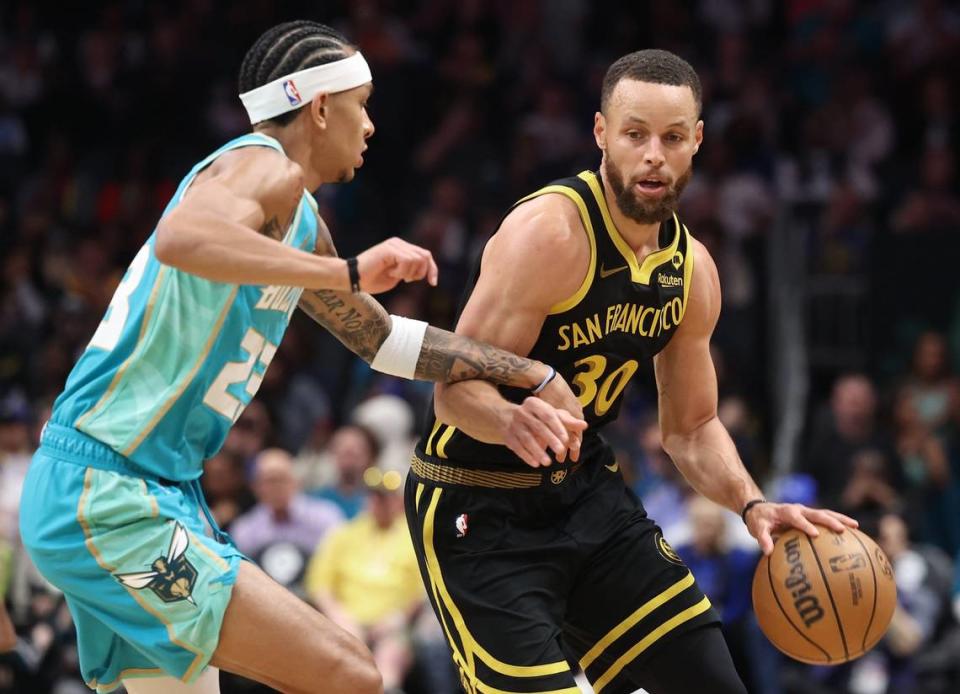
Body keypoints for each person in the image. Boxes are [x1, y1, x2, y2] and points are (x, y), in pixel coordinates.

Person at [19, 20, 584, 694]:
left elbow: (382, 341)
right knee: (348, 675)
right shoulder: (261, 162)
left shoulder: (300, 218)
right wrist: (346, 271)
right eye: (362, 104)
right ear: (320, 106)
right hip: (108, 492)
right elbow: (180, 235)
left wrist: (529, 374)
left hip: (146, 490)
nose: (370, 125)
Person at [405, 49, 858, 694]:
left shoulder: (693, 271)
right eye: (634, 134)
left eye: (672, 138)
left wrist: (750, 503)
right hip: (478, 506)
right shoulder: (549, 234)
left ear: (697, 141)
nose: (653, 154)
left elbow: (693, 428)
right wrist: (511, 418)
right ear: (600, 135)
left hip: (586, 495)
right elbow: (450, 393)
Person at [306, 468, 427, 694]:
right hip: (346, 621)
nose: (379, 503)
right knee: (345, 656)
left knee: (389, 659)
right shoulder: (342, 534)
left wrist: (398, 617)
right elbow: (320, 584)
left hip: (392, 623)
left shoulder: (413, 537)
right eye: (374, 497)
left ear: (397, 501)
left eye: (385, 497)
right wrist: (338, 614)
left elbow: (421, 591)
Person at [229, 448, 343, 591]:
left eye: (282, 479)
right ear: (256, 487)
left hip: (316, 600)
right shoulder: (245, 529)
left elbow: (341, 567)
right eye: (270, 481)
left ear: (296, 481)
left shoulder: (326, 518)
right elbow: (241, 579)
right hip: (265, 602)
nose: (276, 487)